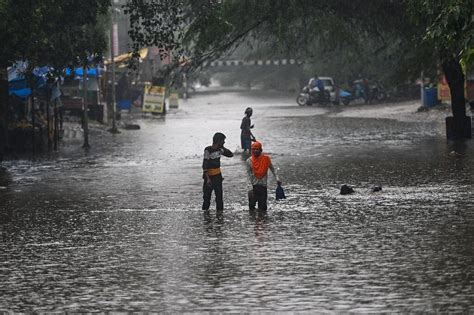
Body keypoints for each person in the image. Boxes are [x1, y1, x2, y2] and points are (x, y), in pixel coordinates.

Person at [246, 141, 282, 211]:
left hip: (263, 186)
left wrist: (277, 178)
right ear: (251, 150)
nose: (255, 150)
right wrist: (249, 186)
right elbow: (248, 175)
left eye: (257, 149)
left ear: (261, 150)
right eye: (253, 149)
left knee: (263, 208)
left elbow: (273, 170)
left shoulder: (266, 159)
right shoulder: (249, 161)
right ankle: (252, 221)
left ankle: (262, 220)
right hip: (253, 187)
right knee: (251, 208)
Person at [202, 132, 234, 211]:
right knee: (206, 197)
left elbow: (231, 154)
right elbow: (205, 164)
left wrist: (223, 148)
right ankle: (205, 216)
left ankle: (220, 216)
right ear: (219, 141)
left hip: (218, 176)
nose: (224, 142)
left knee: (219, 197)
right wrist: (208, 179)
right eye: (223, 141)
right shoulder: (208, 150)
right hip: (209, 177)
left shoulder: (220, 150)